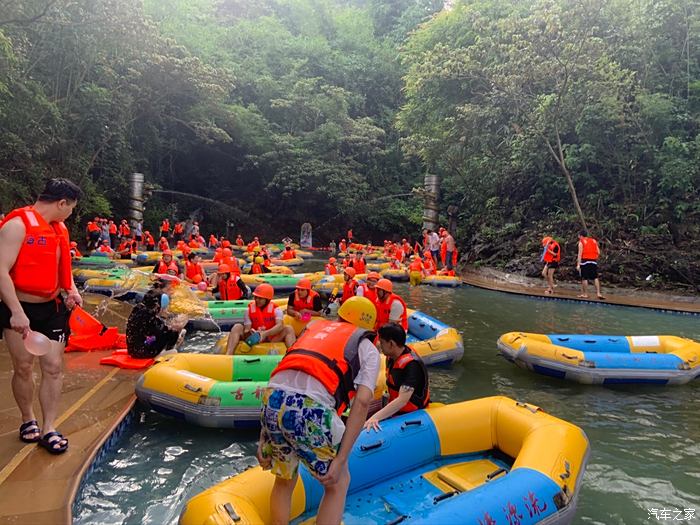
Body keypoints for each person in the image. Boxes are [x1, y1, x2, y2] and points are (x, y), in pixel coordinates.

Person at [257, 296, 381, 525]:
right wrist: (341, 458)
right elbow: (362, 402)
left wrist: (263, 437)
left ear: (341, 314)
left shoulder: (313, 328)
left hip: (272, 400)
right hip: (309, 408)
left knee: (284, 479)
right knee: (338, 482)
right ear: (369, 327)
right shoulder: (367, 348)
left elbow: (283, 378)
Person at [0, 178, 83, 454]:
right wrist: (16, 312)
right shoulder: (17, 226)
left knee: (53, 367)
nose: (70, 213)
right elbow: (1, 270)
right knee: (23, 367)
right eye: (71, 207)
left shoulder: (60, 230)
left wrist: (70, 289)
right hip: (20, 309)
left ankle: (49, 427)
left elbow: (63, 267)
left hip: (52, 308)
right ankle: (28, 419)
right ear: (62, 203)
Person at [364, 322, 430, 431]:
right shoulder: (392, 356)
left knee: (366, 424)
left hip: (411, 413)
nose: (379, 344)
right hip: (393, 404)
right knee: (358, 412)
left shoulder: (412, 365)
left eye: (381, 341)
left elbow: (402, 401)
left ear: (391, 344)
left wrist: (374, 418)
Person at [225, 284, 296, 355]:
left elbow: (280, 326)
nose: (257, 300)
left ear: (267, 299)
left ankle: (294, 355)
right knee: (237, 327)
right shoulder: (249, 310)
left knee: (288, 329)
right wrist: (251, 333)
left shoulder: (276, 310)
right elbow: (247, 329)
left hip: (271, 337)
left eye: (260, 298)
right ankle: (228, 354)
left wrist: (265, 334)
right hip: (254, 338)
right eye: (255, 297)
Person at [126, 290, 186, 359]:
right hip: (141, 353)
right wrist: (175, 331)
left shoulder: (138, 308)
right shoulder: (148, 316)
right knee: (172, 337)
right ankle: (169, 350)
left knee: (165, 332)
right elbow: (161, 334)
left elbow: (152, 332)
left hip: (132, 349)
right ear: (157, 305)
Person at [577, 231, 605, 300]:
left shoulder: (581, 242)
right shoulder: (593, 241)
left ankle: (585, 294)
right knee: (595, 277)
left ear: (580, 236)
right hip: (593, 261)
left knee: (584, 278)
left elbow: (579, 254)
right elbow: (598, 252)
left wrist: (578, 264)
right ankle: (598, 293)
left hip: (585, 261)